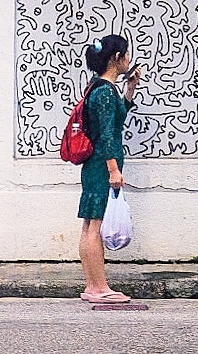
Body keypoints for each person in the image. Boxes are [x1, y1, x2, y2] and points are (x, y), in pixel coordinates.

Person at [78, 34, 141, 304]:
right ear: (117, 58)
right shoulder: (104, 92)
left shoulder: (101, 88)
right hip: (103, 167)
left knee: (90, 225)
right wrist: (114, 170)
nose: (128, 59)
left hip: (95, 166)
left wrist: (130, 90)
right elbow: (107, 135)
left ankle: (93, 285)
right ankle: (98, 288)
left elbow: (115, 121)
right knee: (95, 227)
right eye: (126, 54)